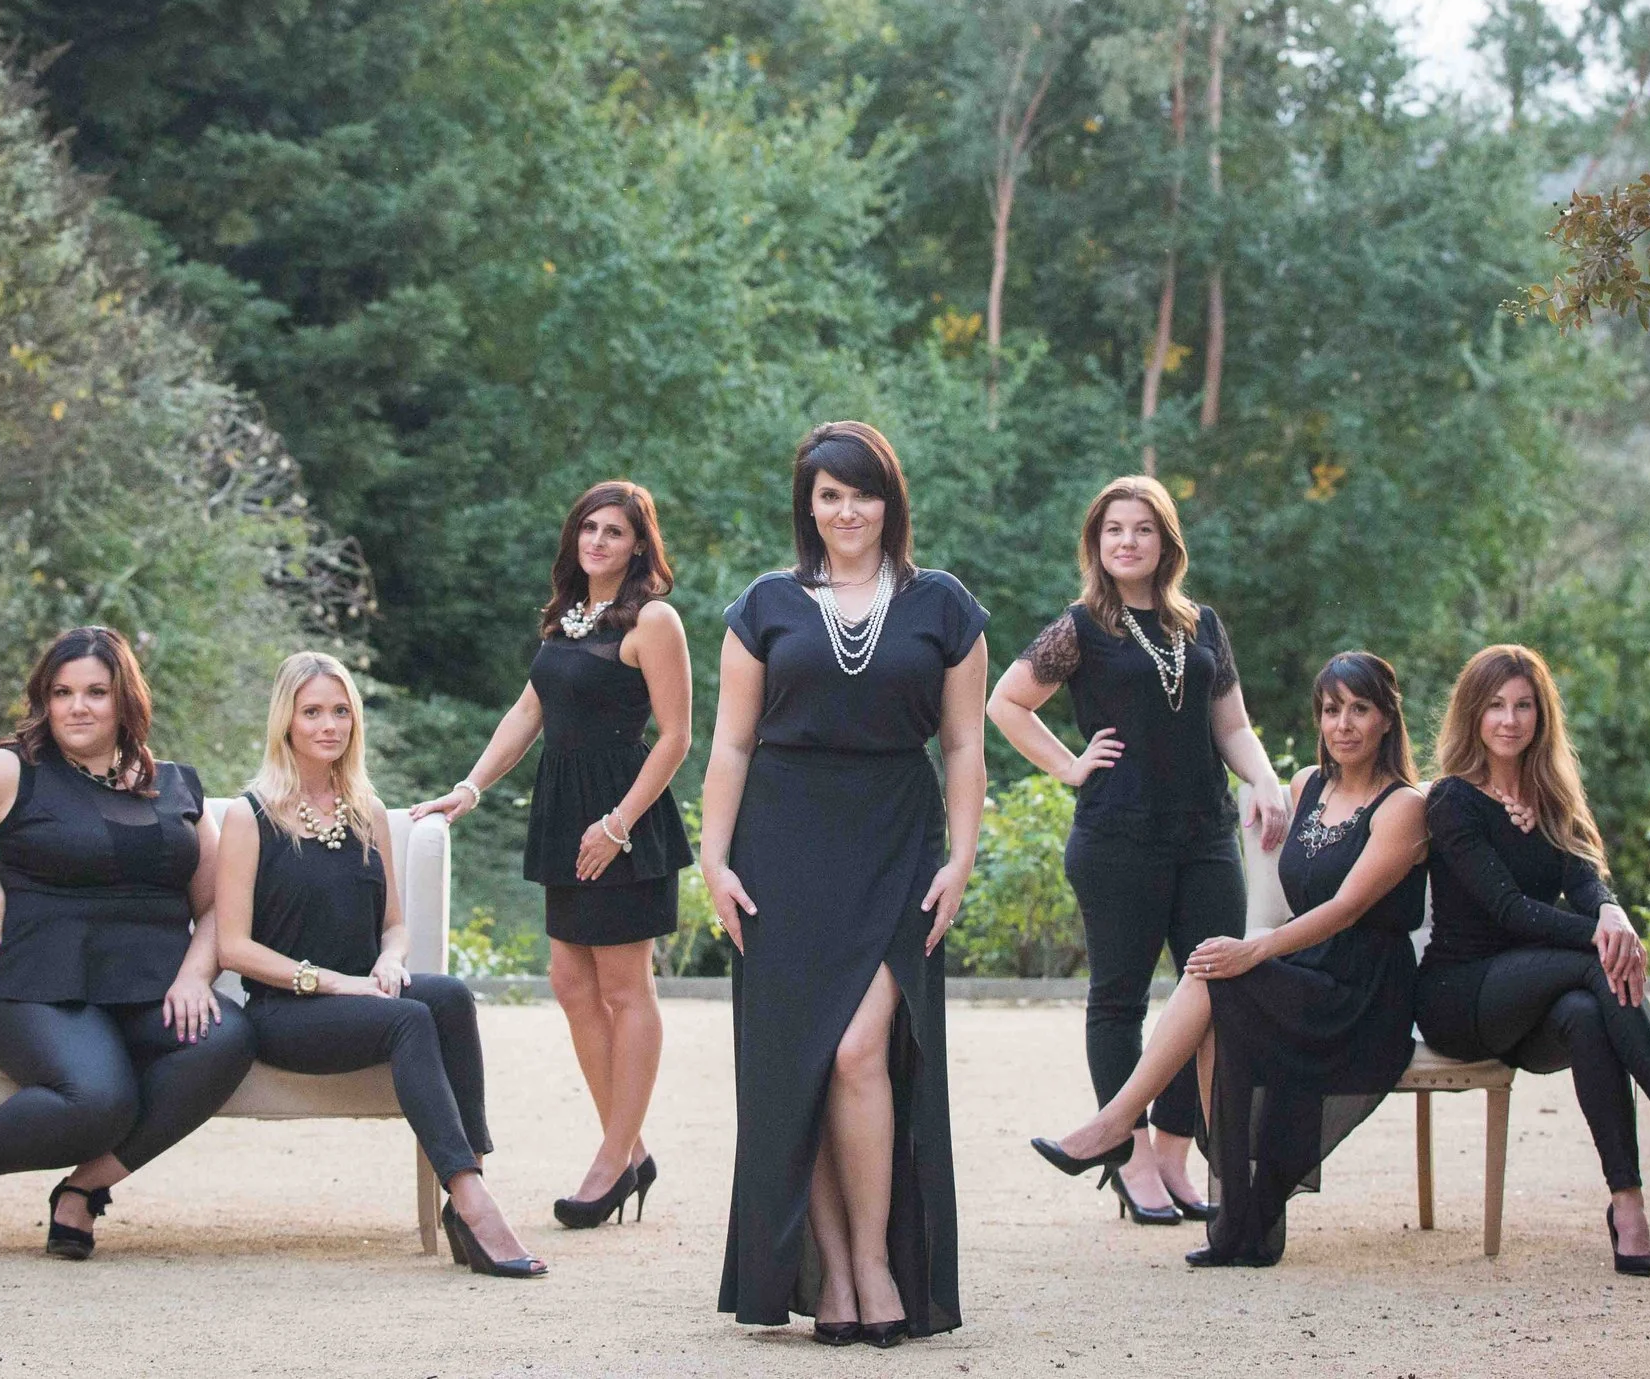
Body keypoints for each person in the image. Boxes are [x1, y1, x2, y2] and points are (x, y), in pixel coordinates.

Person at [704, 421, 986, 1347]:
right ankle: (832, 1275)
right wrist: (713, 858)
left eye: (863, 492)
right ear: (809, 505)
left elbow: (964, 745)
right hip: (779, 850)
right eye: (830, 494)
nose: (848, 509)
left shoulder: (944, 605)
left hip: (896, 844)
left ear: (889, 500)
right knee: (805, 1061)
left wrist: (961, 855)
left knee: (862, 1049)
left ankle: (874, 1260)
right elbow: (731, 744)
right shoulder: (764, 605)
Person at [0, 626, 253, 1261]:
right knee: (98, 1100)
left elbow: (213, 906)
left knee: (226, 1037)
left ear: (125, 700)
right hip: (31, 983)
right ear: (44, 700)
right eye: (62, 692)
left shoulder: (176, 784)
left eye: (96, 692)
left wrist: (192, 977)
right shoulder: (13, 770)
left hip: (146, 987)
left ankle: (84, 1190)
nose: (77, 707)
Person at [1028, 652, 1428, 1264]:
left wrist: (1256, 948)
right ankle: (1233, 1211)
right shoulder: (1308, 786)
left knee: (1216, 974)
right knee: (1211, 978)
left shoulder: (1404, 806)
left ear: (1386, 720)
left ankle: (1117, 1124)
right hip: (1311, 973)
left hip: (1365, 991)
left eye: (1359, 710)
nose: (1343, 724)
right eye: (1330, 710)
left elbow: (1347, 908)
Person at [1414, 644, 1650, 1274]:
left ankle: (1627, 1206)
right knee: (1595, 963)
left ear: (1542, 715)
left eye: (1524, 705)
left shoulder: (1551, 795)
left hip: (1536, 1007)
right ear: (1472, 713)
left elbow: (1586, 882)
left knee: (1587, 1011)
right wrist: (1605, 938)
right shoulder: (1452, 800)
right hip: (1461, 998)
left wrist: (1613, 914)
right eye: (1495, 705)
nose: (1510, 720)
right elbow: (1509, 911)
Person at [987, 475, 1288, 1224]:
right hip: (1117, 838)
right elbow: (1006, 702)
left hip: (1205, 834)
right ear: (1097, 543)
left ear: (1165, 543)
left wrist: (1264, 778)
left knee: (1213, 989)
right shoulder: (1080, 627)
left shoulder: (1202, 625)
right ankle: (1131, 1159)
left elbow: (1232, 725)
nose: (1128, 541)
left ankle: (1178, 1153)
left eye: (1143, 529)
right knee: (1119, 1001)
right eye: (1114, 529)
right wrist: (1069, 765)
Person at [412, 481, 694, 1226]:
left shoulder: (654, 620)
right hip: (563, 815)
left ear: (639, 545)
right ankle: (630, 1150)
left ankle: (612, 1158)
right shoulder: (566, 619)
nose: (598, 541)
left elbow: (676, 737)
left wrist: (618, 824)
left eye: (615, 531)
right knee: (571, 984)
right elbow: (529, 709)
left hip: (623, 817)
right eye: (588, 528)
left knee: (626, 988)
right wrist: (469, 787)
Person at [217, 653, 543, 1279]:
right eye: (312, 712)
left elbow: (393, 923)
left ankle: (466, 1188)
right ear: (286, 721)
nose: (328, 725)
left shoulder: (365, 809)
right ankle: (473, 1202)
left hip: (363, 997)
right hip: (287, 1011)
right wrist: (334, 982)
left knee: (449, 996)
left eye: (340, 711)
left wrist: (392, 959)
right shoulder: (249, 815)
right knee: (409, 1020)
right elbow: (232, 947)